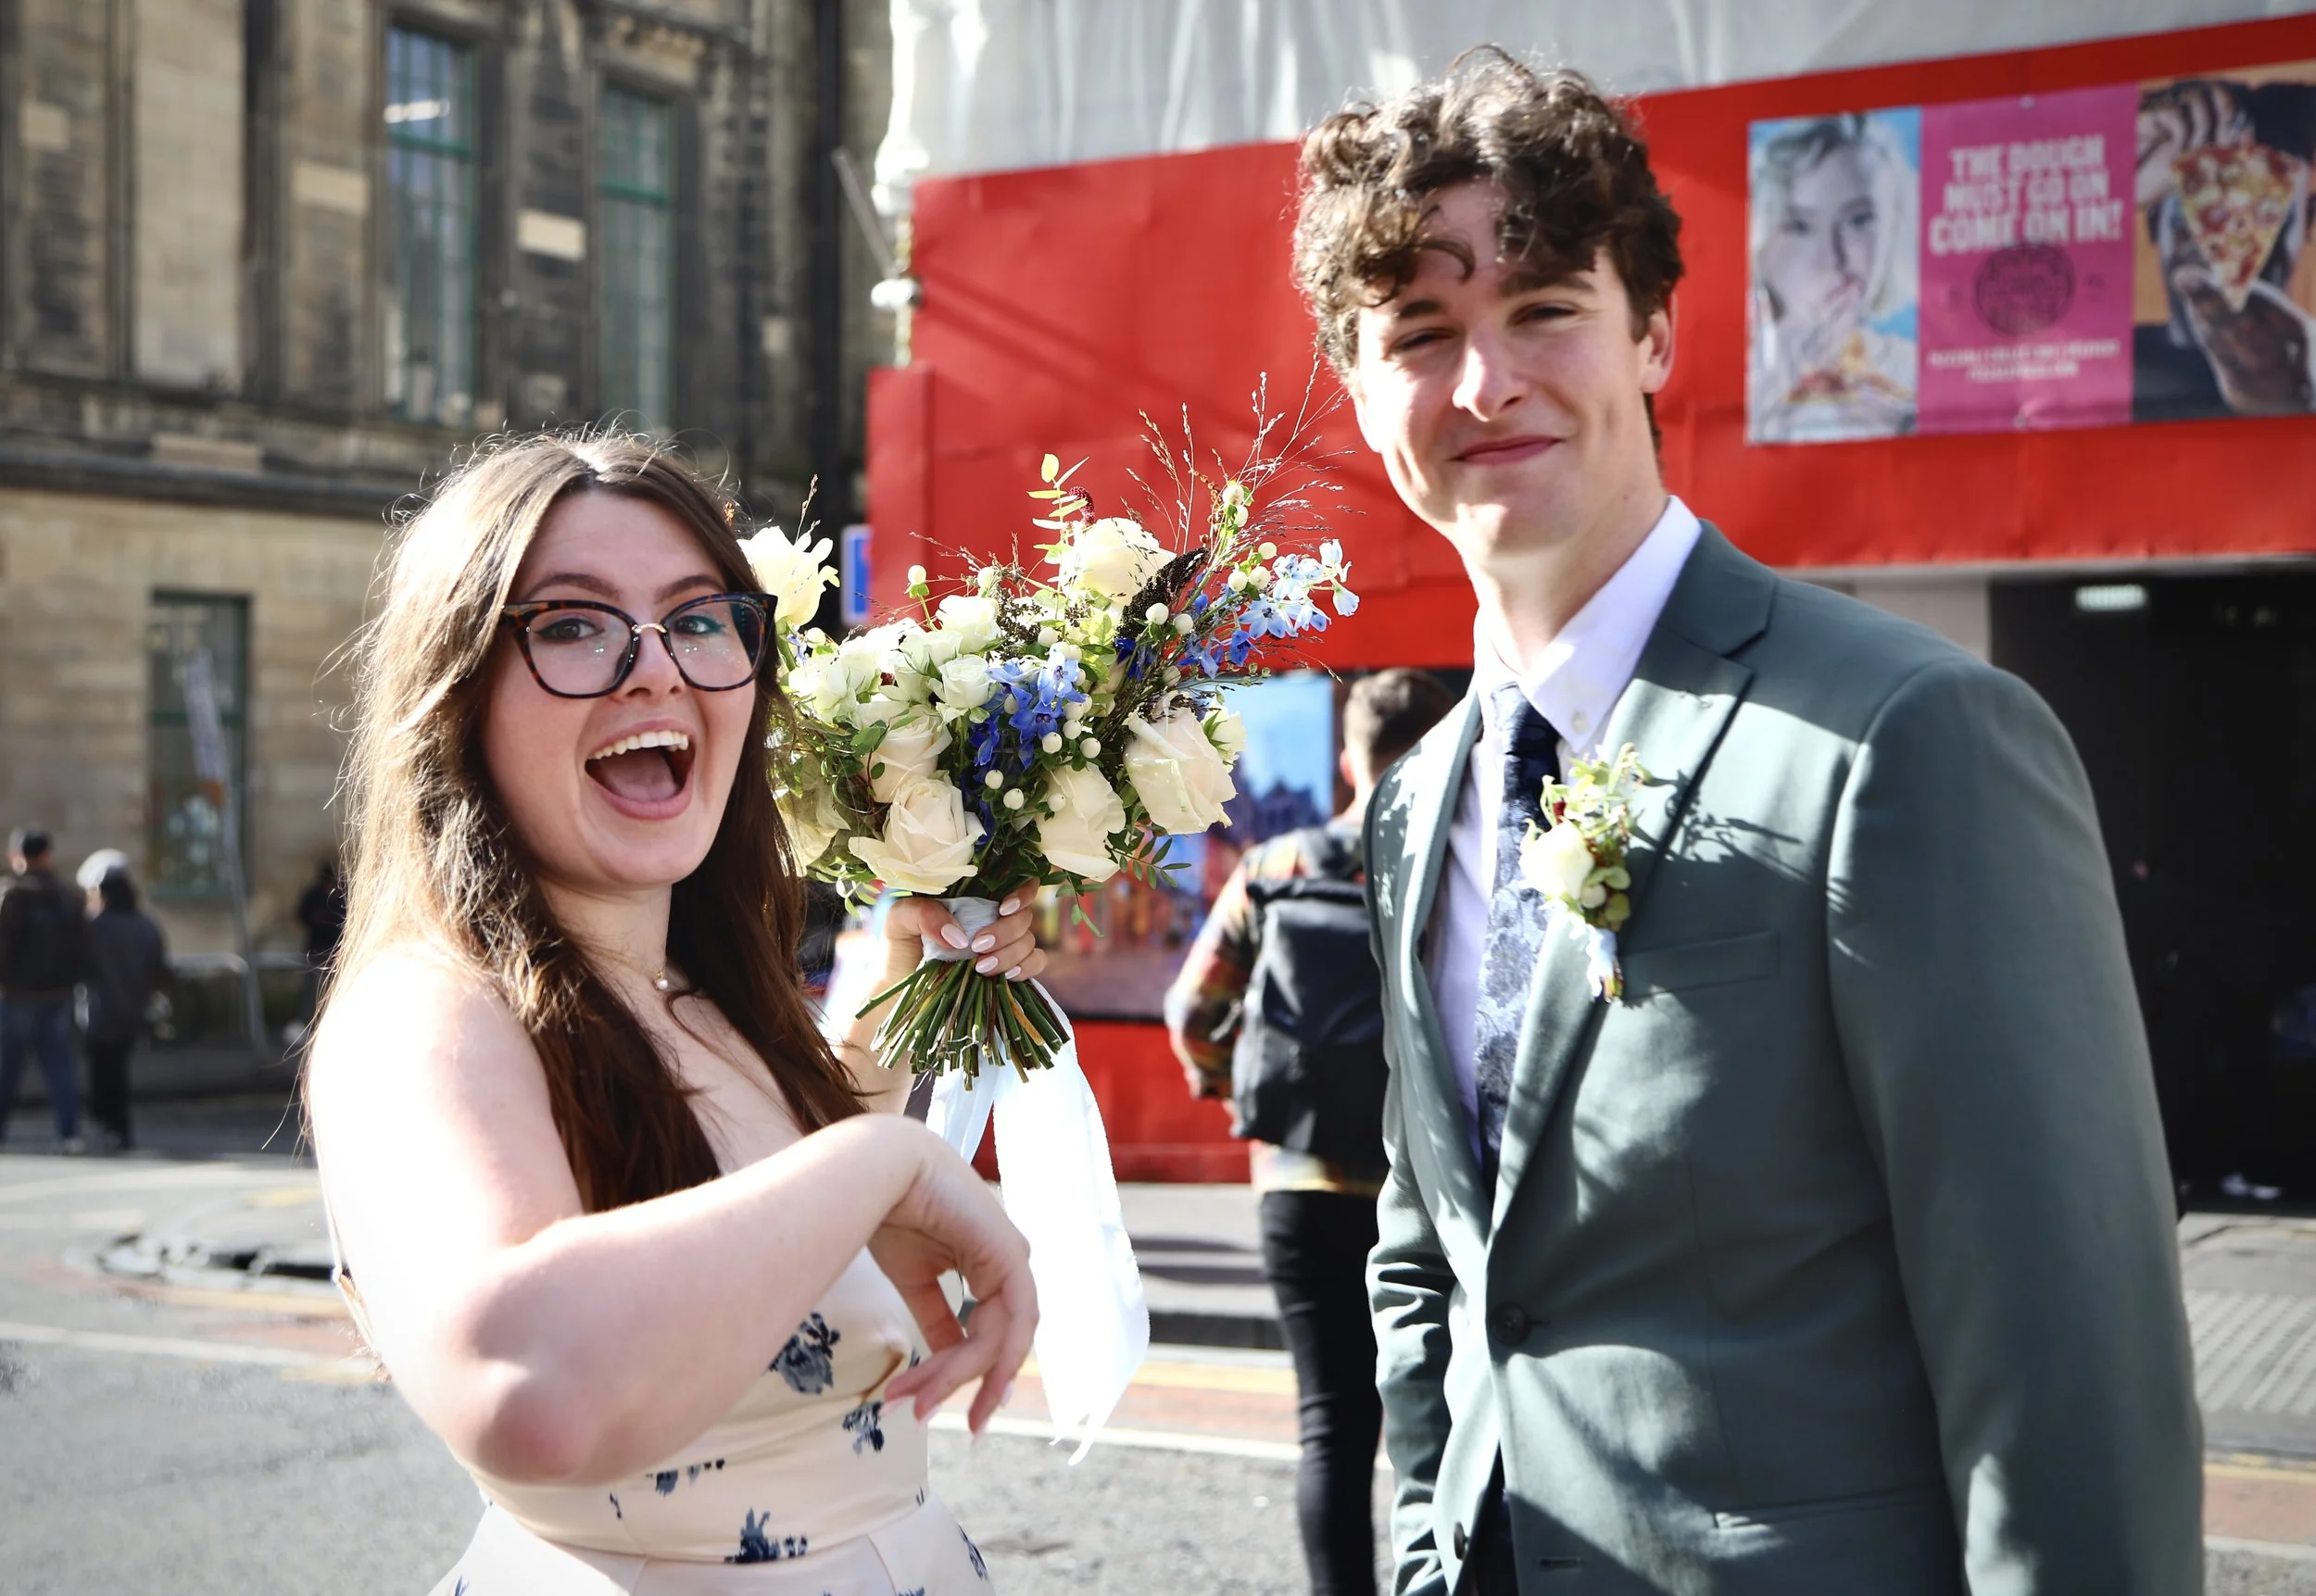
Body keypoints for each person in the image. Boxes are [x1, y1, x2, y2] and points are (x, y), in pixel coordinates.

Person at [1292, 49, 2199, 1593]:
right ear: (1361, 389)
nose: (1484, 381)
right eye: (1421, 334)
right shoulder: (1412, 806)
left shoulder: (1905, 739)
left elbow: (2066, 1354)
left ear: (1651, 332)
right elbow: (1435, 1248)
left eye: (1543, 309)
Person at [303, 433, 1041, 1593]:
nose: (656, 670)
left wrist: (897, 1008)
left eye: (699, 619)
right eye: (573, 625)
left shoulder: (693, 983)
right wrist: (884, 1161)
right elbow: (523, 1385)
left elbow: (739, 1206)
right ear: (457, 692)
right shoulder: (426, 1012)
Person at [1164, 667, 1456, 1596]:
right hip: (1427, 1195)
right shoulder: (1459, 874)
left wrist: (1248, 1101)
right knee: (1441, 1418)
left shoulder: (1277, 868)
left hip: (1298, 1183)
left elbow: (1190, 1011)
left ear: (1348, 758)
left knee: (1330, 1425)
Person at [1745, 112, 1919, 442]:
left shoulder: (1911, 375)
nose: (1832, 259)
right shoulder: (1735, 380)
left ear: (1892, 226)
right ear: (1762, 244)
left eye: (1858, 220)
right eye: (1800, 227)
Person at [0, 827, 92, 1152]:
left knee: (6, 1070)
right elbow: (84, 945)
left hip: (17, 995)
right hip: (58, 994)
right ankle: (70, 1134)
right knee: (60, 1068)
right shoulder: (68, 895)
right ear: (47, 855)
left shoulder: (11, 897)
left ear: (17, 856)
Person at [79, 860, 168, 1154]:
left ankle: (108, 1127)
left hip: (100, 1011)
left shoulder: (95, 926)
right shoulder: (145, 924)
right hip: (132, 1009)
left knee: (103, 1074)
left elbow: (79, 964)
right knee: (118, 1072)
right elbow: (158, 966)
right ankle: (119, 1130)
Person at [293, 857, 346, 1031]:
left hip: (334, 949)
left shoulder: (339, 895)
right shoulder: (314, 895)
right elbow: (301, 916)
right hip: (316, 948)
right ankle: (308, 1023)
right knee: (310, 990)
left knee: (334, 988)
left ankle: (331, 1022)